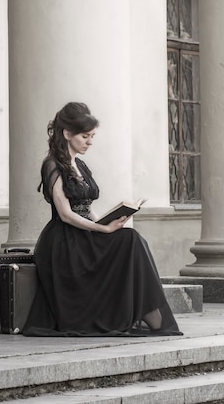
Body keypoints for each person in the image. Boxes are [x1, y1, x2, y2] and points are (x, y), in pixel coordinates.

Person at [23, 102, 182, 337]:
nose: (89, 141)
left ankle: (146, 309)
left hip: (85, 233)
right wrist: (103, 230)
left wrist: (110, 222)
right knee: (129, 240)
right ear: (67, 134)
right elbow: (66, 214)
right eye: (85, 136)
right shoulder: (52, 165)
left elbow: (88, 208)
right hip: (65, 243)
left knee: (129, 238)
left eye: (92, 136)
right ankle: (146, 311)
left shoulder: (81, 165)